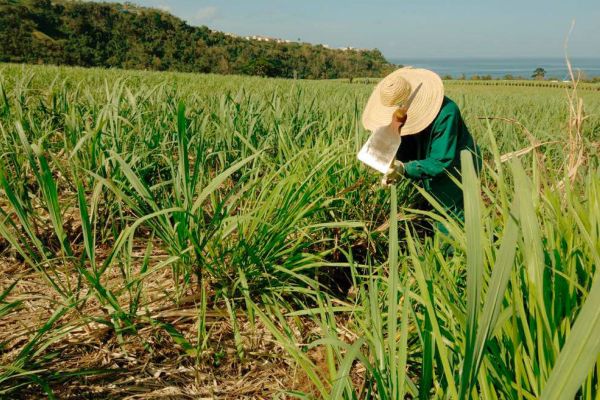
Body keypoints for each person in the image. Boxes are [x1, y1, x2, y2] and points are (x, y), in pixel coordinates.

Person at [361, 67, 481, 234]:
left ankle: (452, 255)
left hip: (457, 166)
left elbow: (441, 161)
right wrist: (387, 168)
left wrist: (403, 169)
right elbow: (393, 143)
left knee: (448, 216)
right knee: (424, 209)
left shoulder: (447, 112)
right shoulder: (397, 119)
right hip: (424, 159)